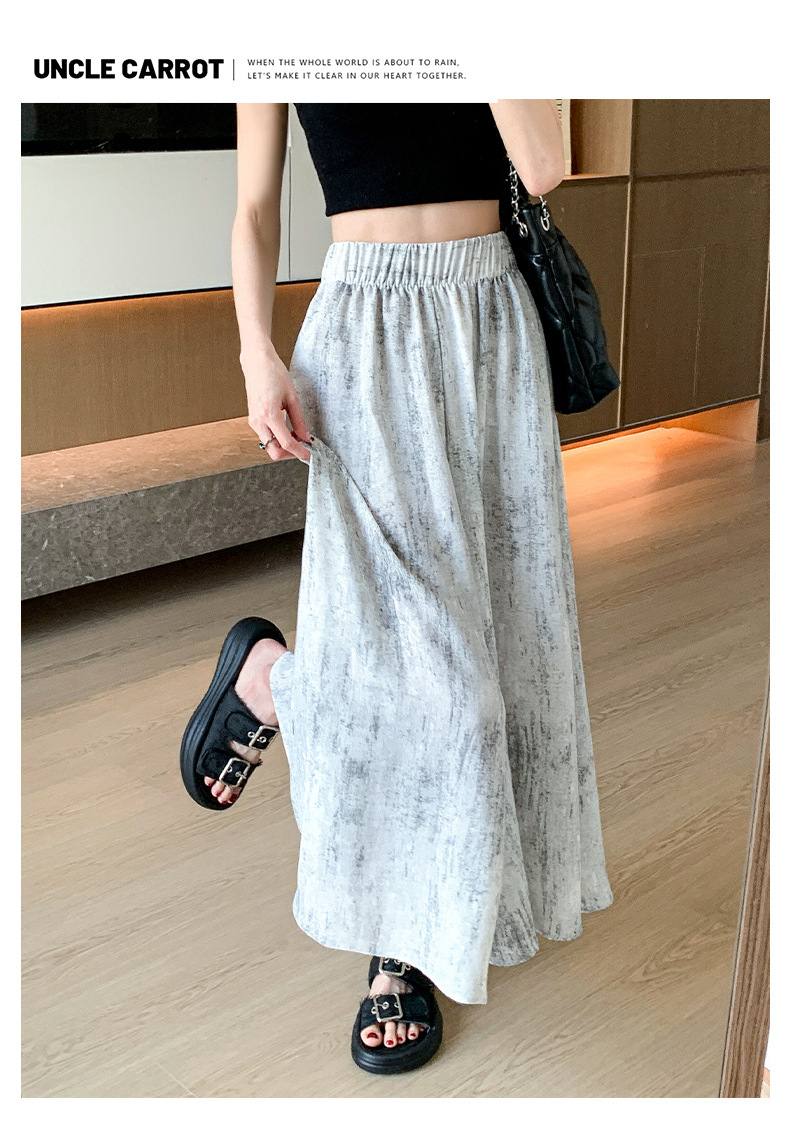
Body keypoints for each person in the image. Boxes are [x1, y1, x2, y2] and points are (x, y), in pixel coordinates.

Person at [179, 101, 615, 1075]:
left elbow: (543, 164)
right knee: (440, 684)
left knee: (510, 639)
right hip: (363, 332)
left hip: (491, 328)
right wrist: (256, 350)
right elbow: (254, 208)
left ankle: (273, 680)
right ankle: (395, 941)